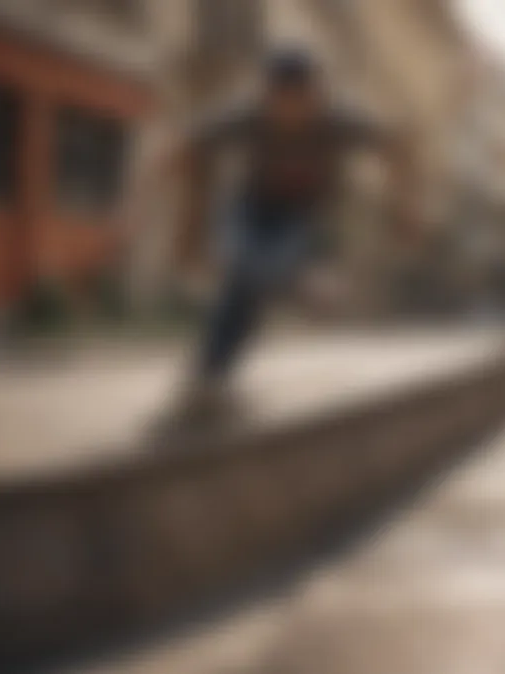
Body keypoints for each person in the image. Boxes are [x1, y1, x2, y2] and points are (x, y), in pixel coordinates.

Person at [130, 48, 419, 426]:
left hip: (305, 217)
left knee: (266, 269)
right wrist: (146, 195)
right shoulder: (249, 113)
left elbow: (396, 148)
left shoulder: (339, 118)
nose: (291, 114)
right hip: (252, 207)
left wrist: (405, 206)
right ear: (268, 96)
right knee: (241, 280)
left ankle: (301, 281)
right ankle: (210, 377)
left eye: (301, 103)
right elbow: (188, 142)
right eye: (281, 104)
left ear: (317, 95)